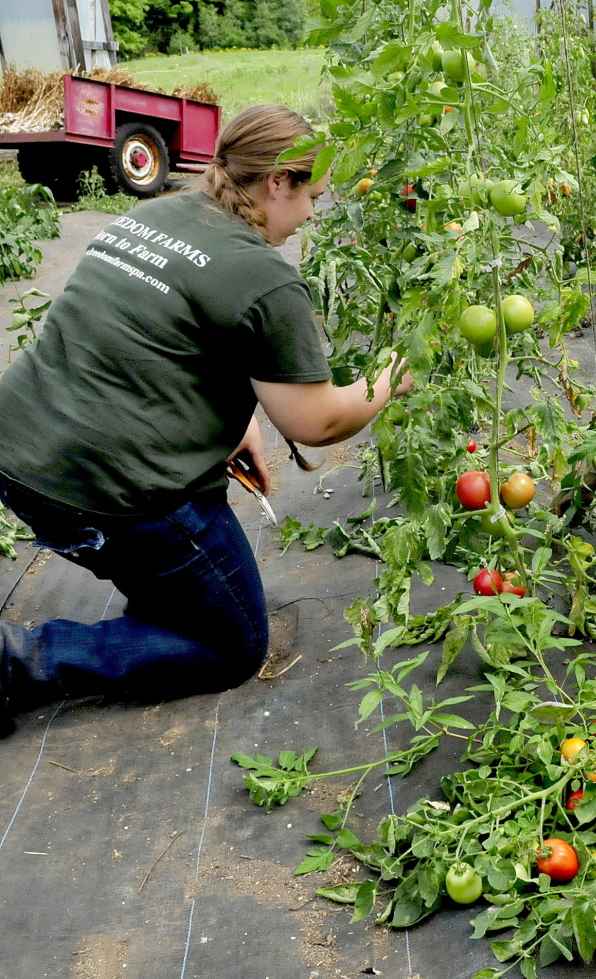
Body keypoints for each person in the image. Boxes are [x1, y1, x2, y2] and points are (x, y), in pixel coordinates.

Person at [0, 104, 412, 732]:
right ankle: (18, 662)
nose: (308, 217)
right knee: (234, 643)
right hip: (103, 490)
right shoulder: (263, 276)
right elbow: (317, 422)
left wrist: (229, 421)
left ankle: (160, 583)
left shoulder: (158, 213)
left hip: (18, 453)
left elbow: (143, 339)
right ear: (277, 183)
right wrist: (390, 379)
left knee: (182, 586)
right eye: (311, 197)